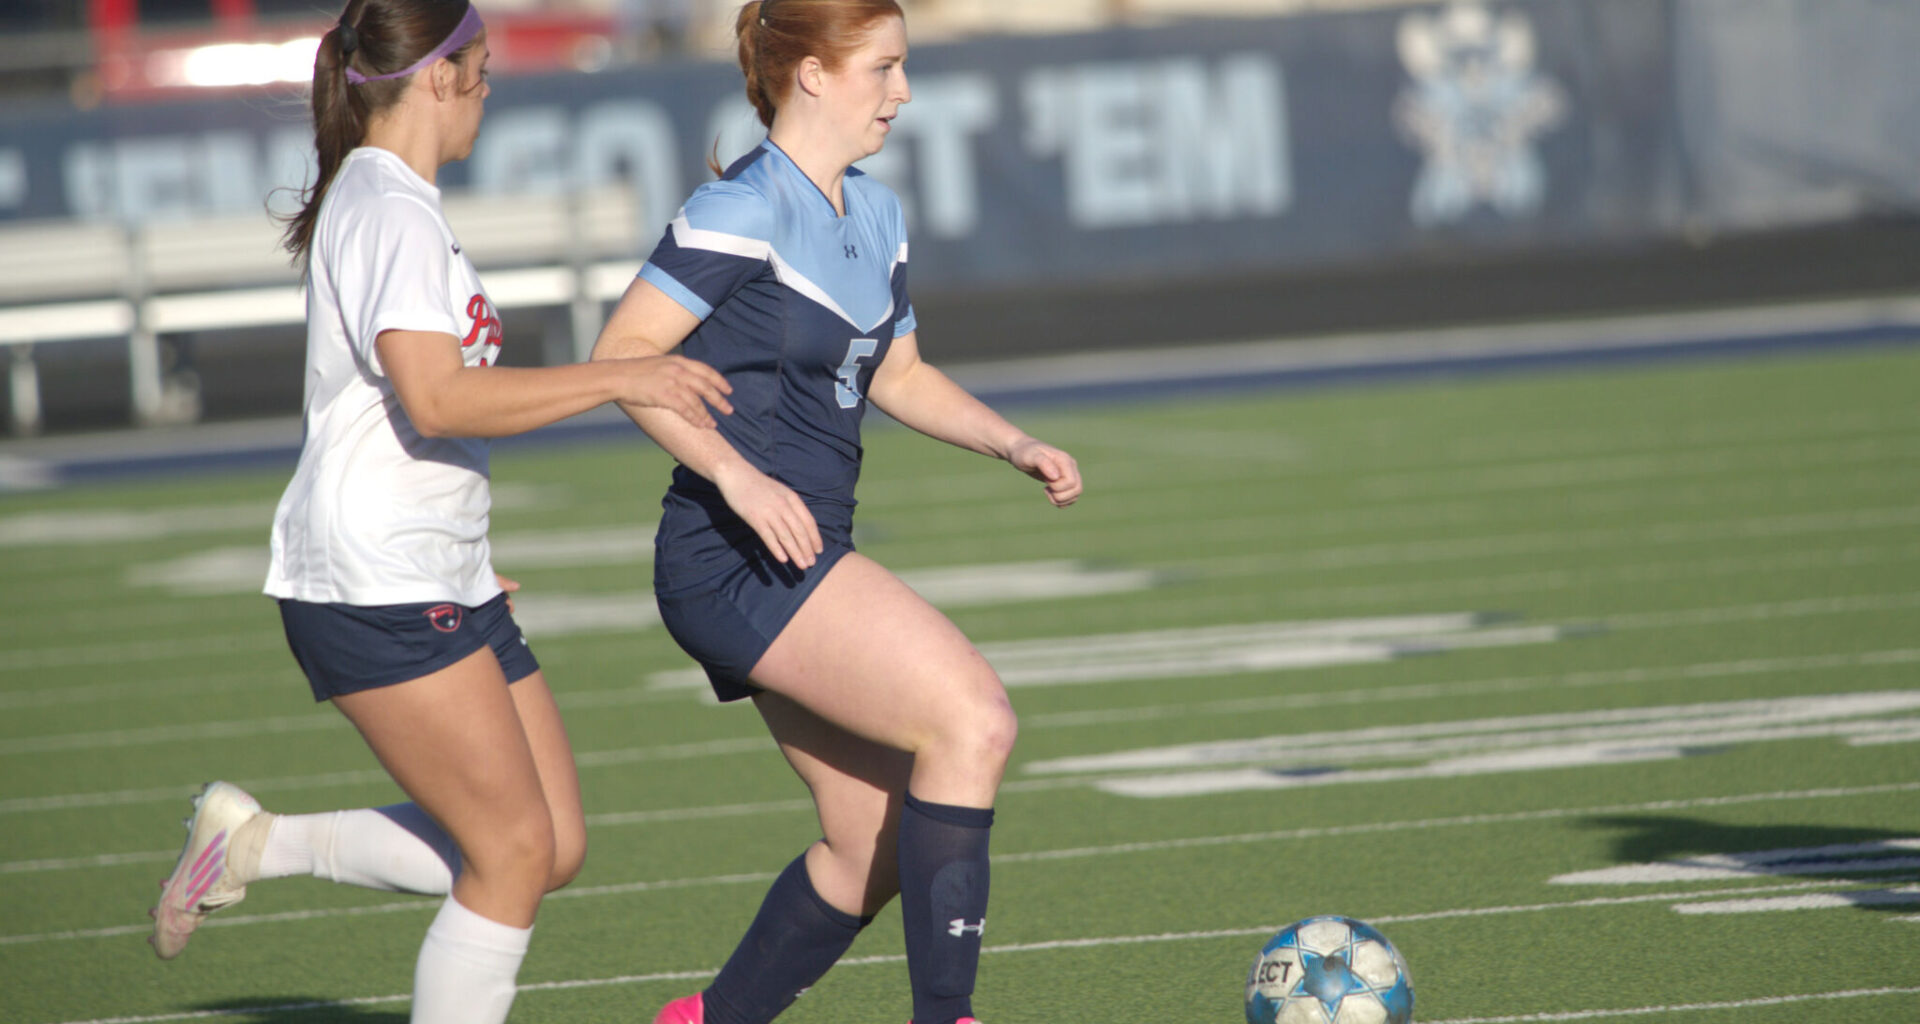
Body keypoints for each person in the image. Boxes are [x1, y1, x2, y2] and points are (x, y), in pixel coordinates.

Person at [145, 3, 732, 1023]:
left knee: (549, 842)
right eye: (486, 69)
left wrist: (469, 546)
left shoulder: (398, 199)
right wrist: (618, 379)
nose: (492, 91)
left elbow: (419, 420)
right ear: (439, 75)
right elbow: (438, 398)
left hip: (433, 566)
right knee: (508, 853)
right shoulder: (388, 205)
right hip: (374, 577)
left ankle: (254, 844)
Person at [589, 3, 1083, 1023]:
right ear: (811, 73)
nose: (903, 93)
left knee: (871, 845)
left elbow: (899, 373)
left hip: (802, 548)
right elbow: (621, 360)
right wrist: (735, 473)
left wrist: (1013, 442)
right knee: (973, 718)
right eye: (885, 69)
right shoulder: (743, 207)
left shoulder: (877, 212)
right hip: (733, 557)